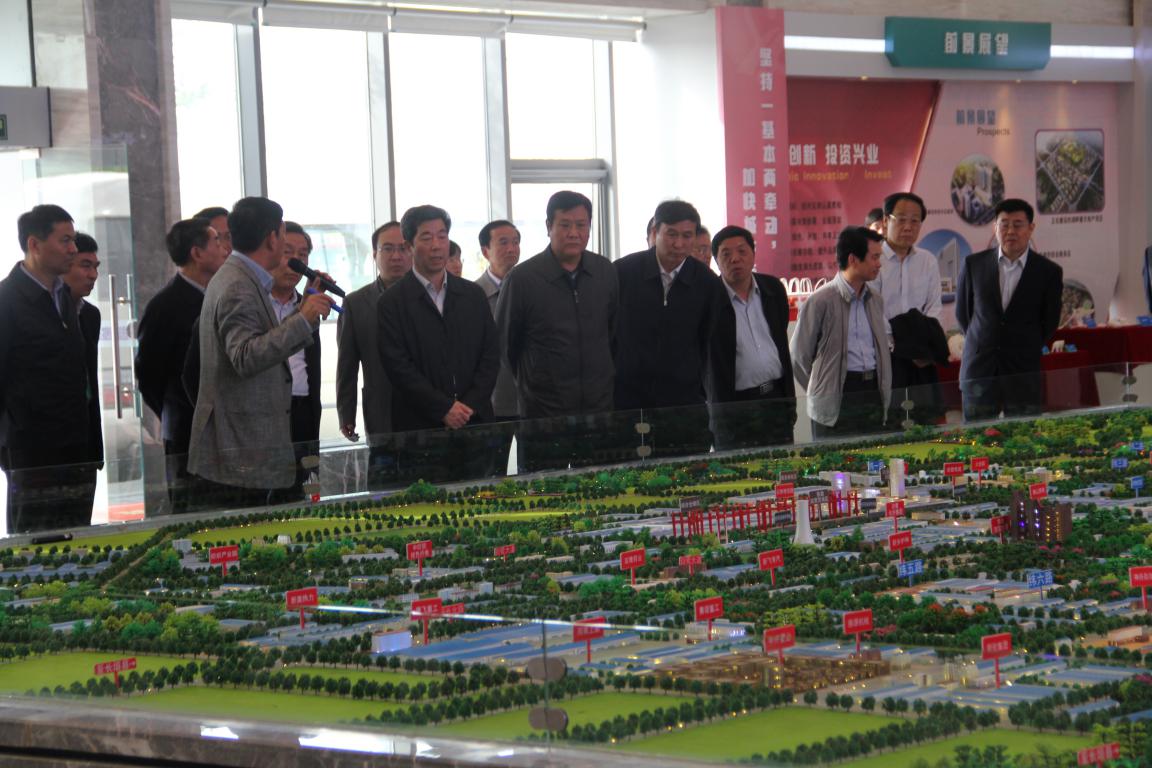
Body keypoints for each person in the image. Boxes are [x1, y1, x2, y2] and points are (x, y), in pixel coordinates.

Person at [187, 196, 332, 508]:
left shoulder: (240, 276)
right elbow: (245, 356)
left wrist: (302, 314)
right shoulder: (239, 284)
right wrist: (303, 320)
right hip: (242, 446)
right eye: (284, 236)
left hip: (253, 441)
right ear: (272, 238)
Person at [495, 190, 620, 471]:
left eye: (581, 224)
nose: (574, 233)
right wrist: (535, 382)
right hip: (543, 416)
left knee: (598, 489)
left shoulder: (605, 271)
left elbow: (612, 334)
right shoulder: (523, 279)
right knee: (545, 491)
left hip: (597, 412)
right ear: (549, 226)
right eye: (565, 225)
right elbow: (506, 346)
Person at [377, 206, 499, 481]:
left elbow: (490, 356)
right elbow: (398, 367)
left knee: (480, 498)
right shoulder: (392, 303)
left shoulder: (472, 295)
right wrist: (443, 409)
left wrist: (468, 406)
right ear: (410, 246)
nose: (436, 245)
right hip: (420, 430)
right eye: (427, 237)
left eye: (442, 236)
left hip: (474, 424)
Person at [0, 204, 94, 532]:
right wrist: (12, 443)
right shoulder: (7, 301)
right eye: (65, 240)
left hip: (74, 449)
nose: (73, 249)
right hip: (31, 454)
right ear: (34, 244)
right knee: (36, 546)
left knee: (78, 541)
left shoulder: (64, 297)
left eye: (73, 240)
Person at [136, 218, 228, 512]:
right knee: (194, 514)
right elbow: (149, 375)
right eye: (216, 241)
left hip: (224, 429)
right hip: (186, 431)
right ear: (197, 253)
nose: (225, 249)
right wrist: (175, 408)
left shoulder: (219, 296)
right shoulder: (165, 305)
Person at [614, 200, 717, 456]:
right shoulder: (622, 273)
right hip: (626, 402)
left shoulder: (707, 283)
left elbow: (709, 343)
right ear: (654, 232)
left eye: (687, 236)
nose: (679, 244)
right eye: (671, 234)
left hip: (683, 405)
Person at [956, 198, 1062, 421]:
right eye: (1004, 224)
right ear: (995, 227)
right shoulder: (973, 264)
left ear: (1031, 228)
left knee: (1023, 435)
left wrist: (1021, 345)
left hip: (1022, 369)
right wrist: (986, 338)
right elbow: (964, 315)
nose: (1010, 231)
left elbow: (1049, 322)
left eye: (1018, 224)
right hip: (980, 369)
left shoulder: (1048, 271)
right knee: (976, 435)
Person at [791, 226, 891, 438]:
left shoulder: (876, 300)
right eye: (874, 257)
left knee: (873, 456)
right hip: (837, 398)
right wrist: (822, 391)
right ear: (853, 259)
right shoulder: (820, 301)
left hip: (872, 392)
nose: (879, 264)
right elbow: (798, 357)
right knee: (834, 459)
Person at [706, 225, 796, 448]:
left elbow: (780, 336)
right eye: (726, 254)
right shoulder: (709, 298)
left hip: (776, 400)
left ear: (753, 254)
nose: (735, 259)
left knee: (783, 466)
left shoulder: (772, 288)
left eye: (742, 251)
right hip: (734, 408)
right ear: (716, 261)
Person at [336, 221, 410, 486]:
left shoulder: (430, 297)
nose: (396, 256)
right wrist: (346, 413)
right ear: (375, 254)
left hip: (429, 413)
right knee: (383, 488)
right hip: (381, 412)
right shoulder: (356, 303)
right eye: (387, 248)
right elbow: (347, 364)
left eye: (403, 248)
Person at [871, 192, 944, 421]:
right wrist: (900, 345)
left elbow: (934, 308)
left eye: (915, 221)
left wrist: (923, 347)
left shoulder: (927, 260)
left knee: (925, 422)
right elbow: (873, 311)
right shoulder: (873, 259)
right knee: (888, 423)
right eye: (901, 219)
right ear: (886, 221)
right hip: (884, 356)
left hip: (921, 358)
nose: (908, 227)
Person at [268, 222, 323, 501]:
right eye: (288, 252)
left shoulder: (308, 303)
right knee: (268, 497)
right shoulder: (254, 302)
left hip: (303, 411)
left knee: (304, 491)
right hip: (267, 413)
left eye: (302, 255)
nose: (295, 262)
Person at [61, 232, 104, 516]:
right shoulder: (37, 312)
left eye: (96, 266)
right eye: (85, 265)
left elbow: (91, 384)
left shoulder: (90, 315)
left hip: (85, 445)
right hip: (43, 449)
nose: (93, 275)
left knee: (81, 526)